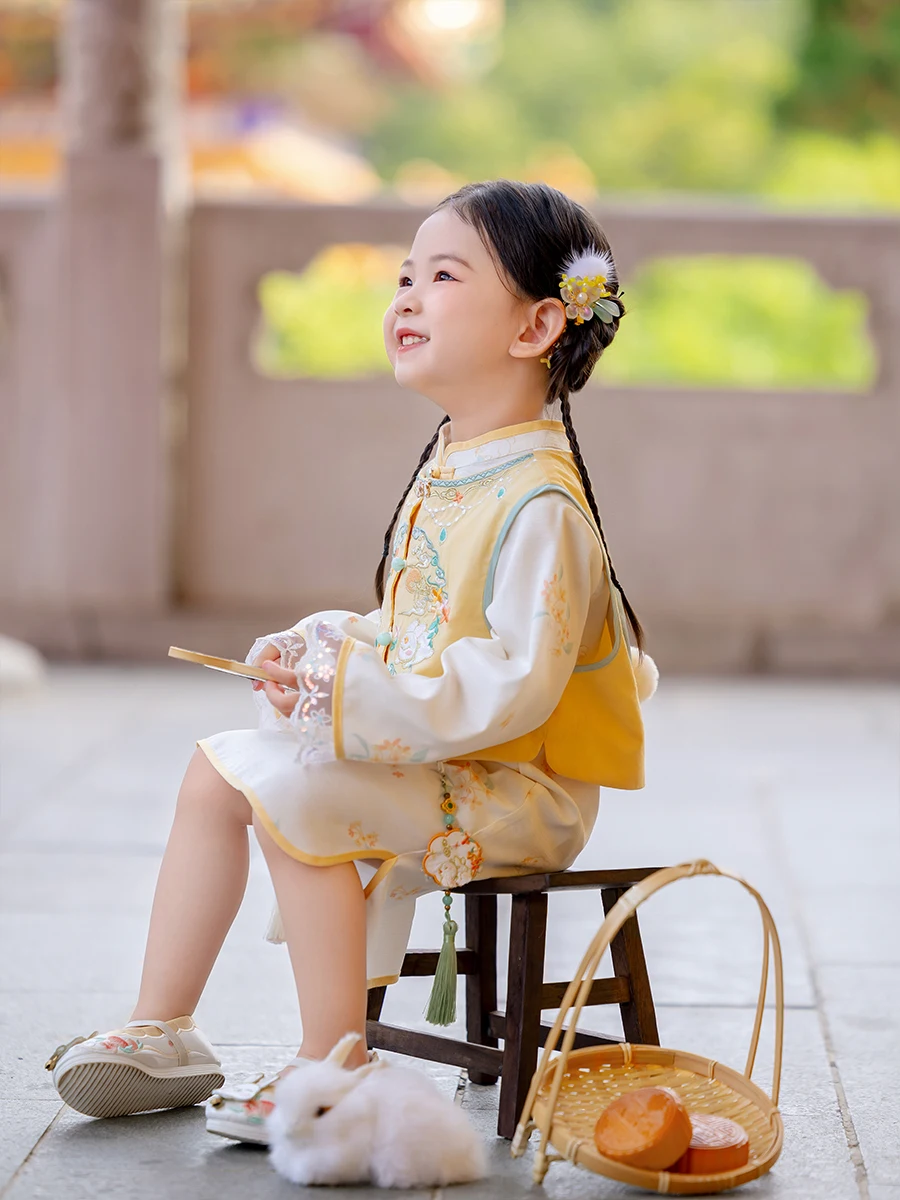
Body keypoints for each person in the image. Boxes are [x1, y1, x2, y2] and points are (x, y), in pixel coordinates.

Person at [45, 179, 657, 1145]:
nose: (406, 296)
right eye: (404, 275)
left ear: (539, 325)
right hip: (456, 755)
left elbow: (511, 686)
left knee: (304, 792)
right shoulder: (460, 464)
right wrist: (322, 648)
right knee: (216, 773)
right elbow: (409, 626)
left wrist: (352, 695)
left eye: (443, 275)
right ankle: (165, 1028)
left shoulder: (542, 504)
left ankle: (334, 1067)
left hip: (519, 783)